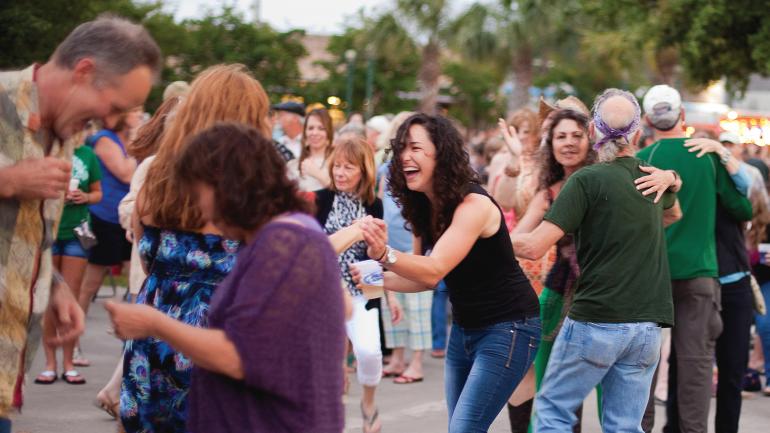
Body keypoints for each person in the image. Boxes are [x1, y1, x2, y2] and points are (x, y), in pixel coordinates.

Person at [106, 122, 345, 433]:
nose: (200, 207)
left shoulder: (282, 243)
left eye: (198, 192)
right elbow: (342, 307)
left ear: (226, 186)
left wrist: (154, 323)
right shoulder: (286, 233)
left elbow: (240, 356)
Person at [0, 15, 159, 432]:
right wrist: (7, 181)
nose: (112, 123)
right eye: (115, 107)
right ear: (84, 71)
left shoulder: (68, 133)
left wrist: (53, 289)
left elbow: (28, 237)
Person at [511, 89, 683, 433]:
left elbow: (532, 247)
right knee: (624, 425)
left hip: (597, 319)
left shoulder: (585, 180)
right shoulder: (649, 177)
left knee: (552, 410)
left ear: (593, 133)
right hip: (648, 326)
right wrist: (669, 179)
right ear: (637, 133)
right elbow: (674, 214)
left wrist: (480, 237)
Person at [358, 113, 541, 433]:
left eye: (415, 147)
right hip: (465, 329)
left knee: (464, 429)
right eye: (401, 148)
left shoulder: (473, 204)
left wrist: (383, 255)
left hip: (509, 328)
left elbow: (433, 271)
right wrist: (368, 279)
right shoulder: (424, 207)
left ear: (441, 152)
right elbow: (419, 275)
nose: (405, 156)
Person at [120, 64, 271, 433]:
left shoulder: (156, 177)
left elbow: (146, 254)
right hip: (220, 342)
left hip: (155, 337)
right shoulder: (253, 192)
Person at [636, 85, 753, 433]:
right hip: (700, 274)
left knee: (643, 367)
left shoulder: (646, 159)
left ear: (646, 120)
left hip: (653, 275)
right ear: (683, 116)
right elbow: (743, 208)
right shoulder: (707, 158)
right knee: (696, 366)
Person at [507, 108, 595, 432]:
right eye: (561, 136)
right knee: (551, 388)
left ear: (591, 140)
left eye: (577, 135)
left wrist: (671, 178)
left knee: (606, 393)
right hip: (558, 297)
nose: (569, 143)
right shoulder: (549, 193)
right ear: (551, 145)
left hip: (603, 299)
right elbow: (522, 238)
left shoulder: (604, 182)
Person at [95, 94, 183, 418]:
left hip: (174, 273)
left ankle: (115, 394)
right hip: (150, 268)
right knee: (143, 338)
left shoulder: (201, 169)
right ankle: (127, 401)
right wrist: (141, 222)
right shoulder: (152, 165)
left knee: (152, 337)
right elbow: (128, 205)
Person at [312, 136, 384, 433]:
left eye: (348, 167)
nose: (340, 173)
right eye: (337, 166)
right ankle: (333, 416)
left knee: (370, 352)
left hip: (363, 287)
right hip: (324, 290)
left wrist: (373, 248)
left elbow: (378, 255)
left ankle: (368, 401)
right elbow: (312, 248)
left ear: (363, 171)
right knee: (327, 364)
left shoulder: (374, 204)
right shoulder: (319, 199)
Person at [75, 106, 142, 365]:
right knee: (90, 283)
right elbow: (126, 173)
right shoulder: (104, 140)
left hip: (126, 218)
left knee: (137, 279)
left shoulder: (128, 141)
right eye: (135, 110)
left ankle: (134, 341)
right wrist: (140, 147)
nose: (139, 114)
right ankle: (75, 342)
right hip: (103, 218)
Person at [34, 140, 103, 385]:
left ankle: (69, 363)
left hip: (78, 231)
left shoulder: (87, 155)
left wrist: (84, 196)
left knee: (70, 296)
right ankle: (50, 363)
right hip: (49, 231)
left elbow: (98, 193)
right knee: (48, 297)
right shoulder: (47, 149)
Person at [287, 108, 333, 191]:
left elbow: (343, 193)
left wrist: (317, 173)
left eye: (321, 128)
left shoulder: (337, 163)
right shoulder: (292, 165)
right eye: (311, 128)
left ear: (329, 133)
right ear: (305, 133)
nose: (315, 133)